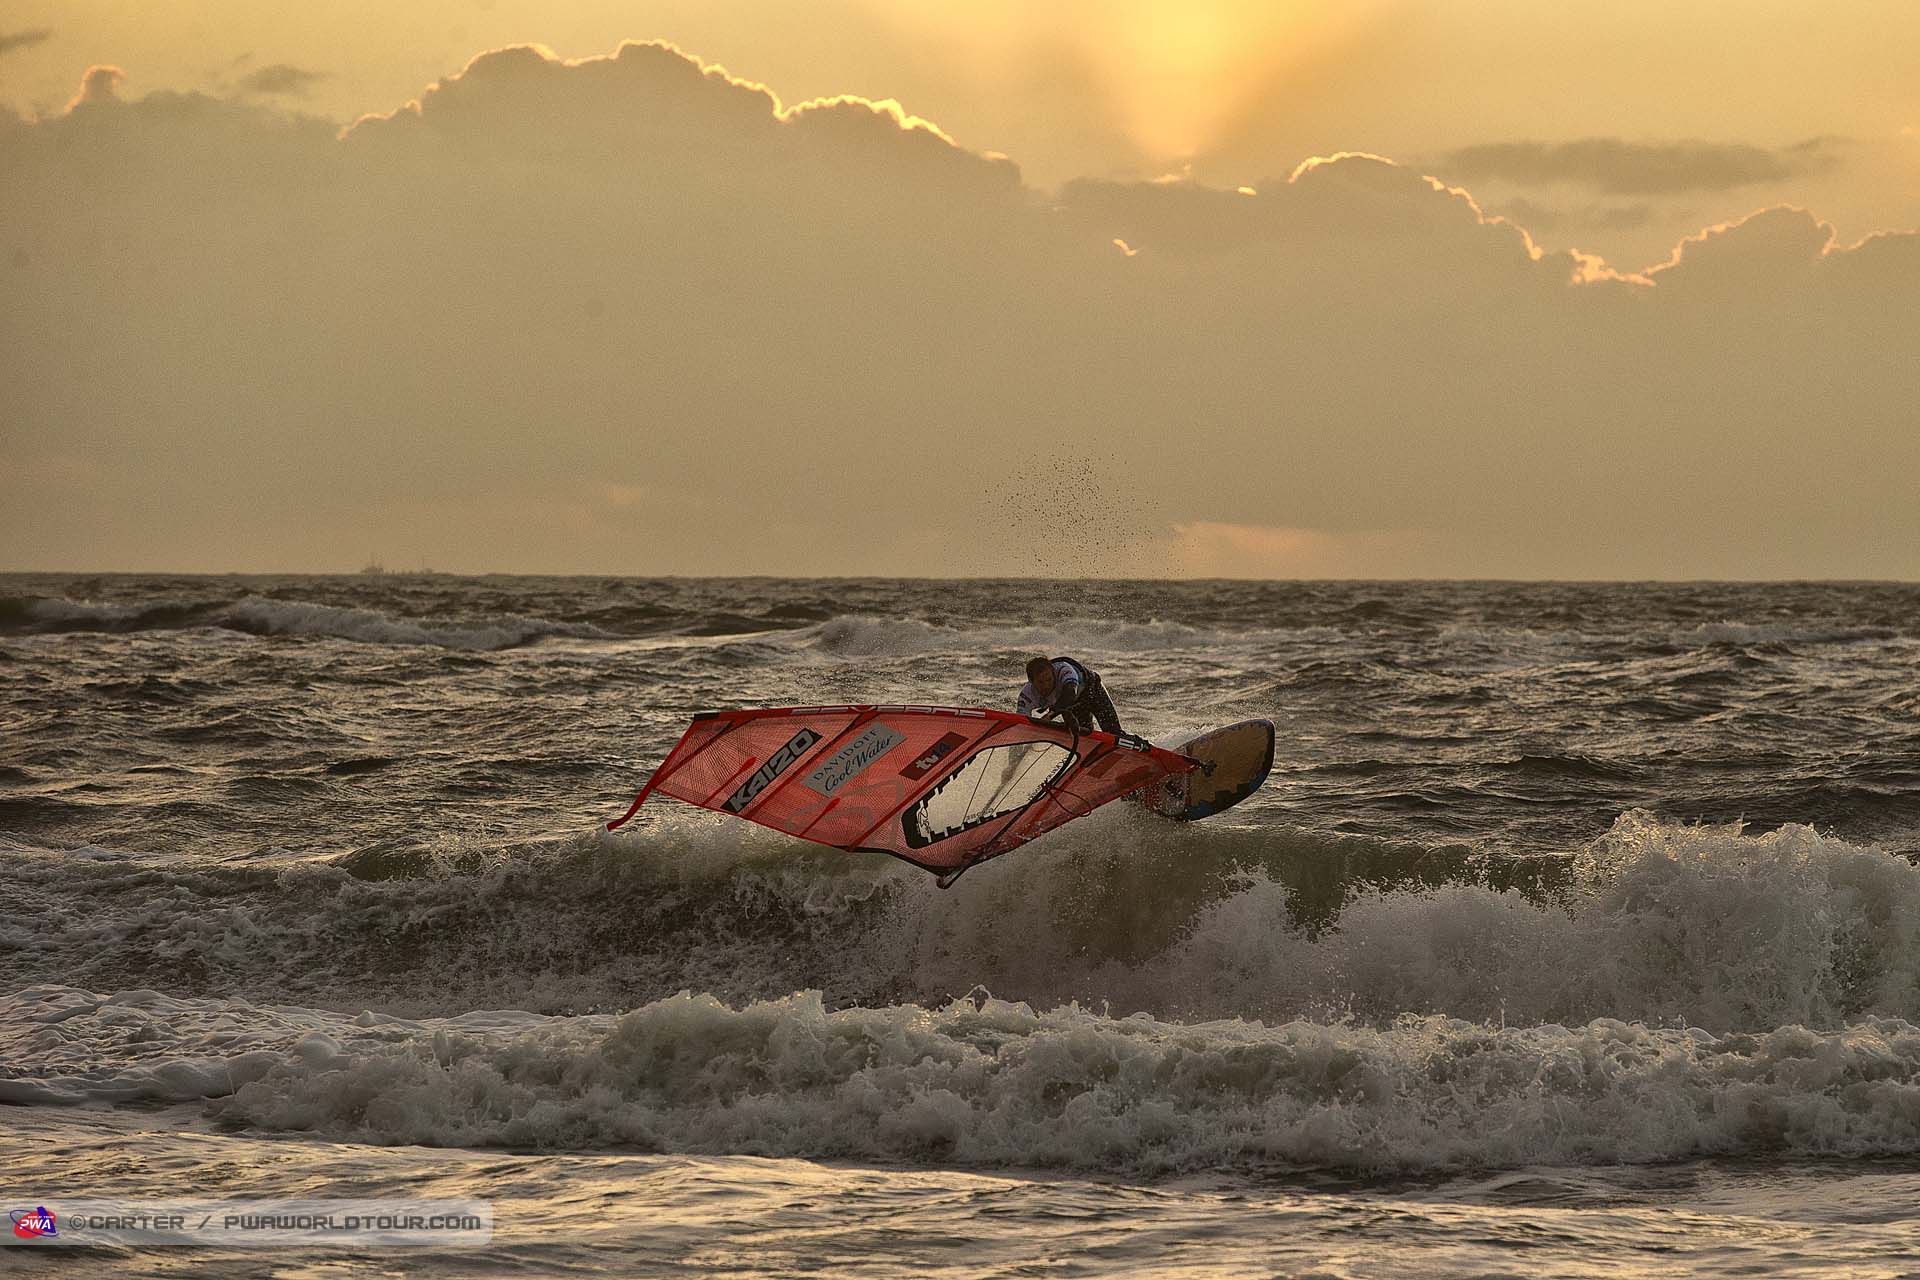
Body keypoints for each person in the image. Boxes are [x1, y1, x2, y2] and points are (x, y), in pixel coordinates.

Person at [1016, 655, 1124, 735]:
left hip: (1093, 691)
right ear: (1031, 681)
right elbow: (1020, 727)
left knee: (1113, 732)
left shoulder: (1064, 669)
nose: (1046, 686)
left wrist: (1050, 715)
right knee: (1081, 735)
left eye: (1049, 680)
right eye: (1040, 682)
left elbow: (1070, 693)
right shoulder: (1027, 696)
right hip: (1072, 705)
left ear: (1054, 674)